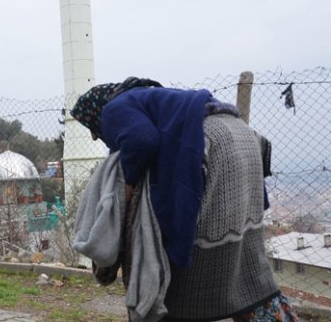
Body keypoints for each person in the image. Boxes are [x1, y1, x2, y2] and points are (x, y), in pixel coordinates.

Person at [71, 78, 298, 321]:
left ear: (95, 112)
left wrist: (122, 193)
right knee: (242, 249)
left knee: (190, 255)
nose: (96, 137)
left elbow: (142, 141)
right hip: (243, 136)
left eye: (92, 128)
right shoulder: (147, 97)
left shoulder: (112, 109)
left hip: (210, 142)